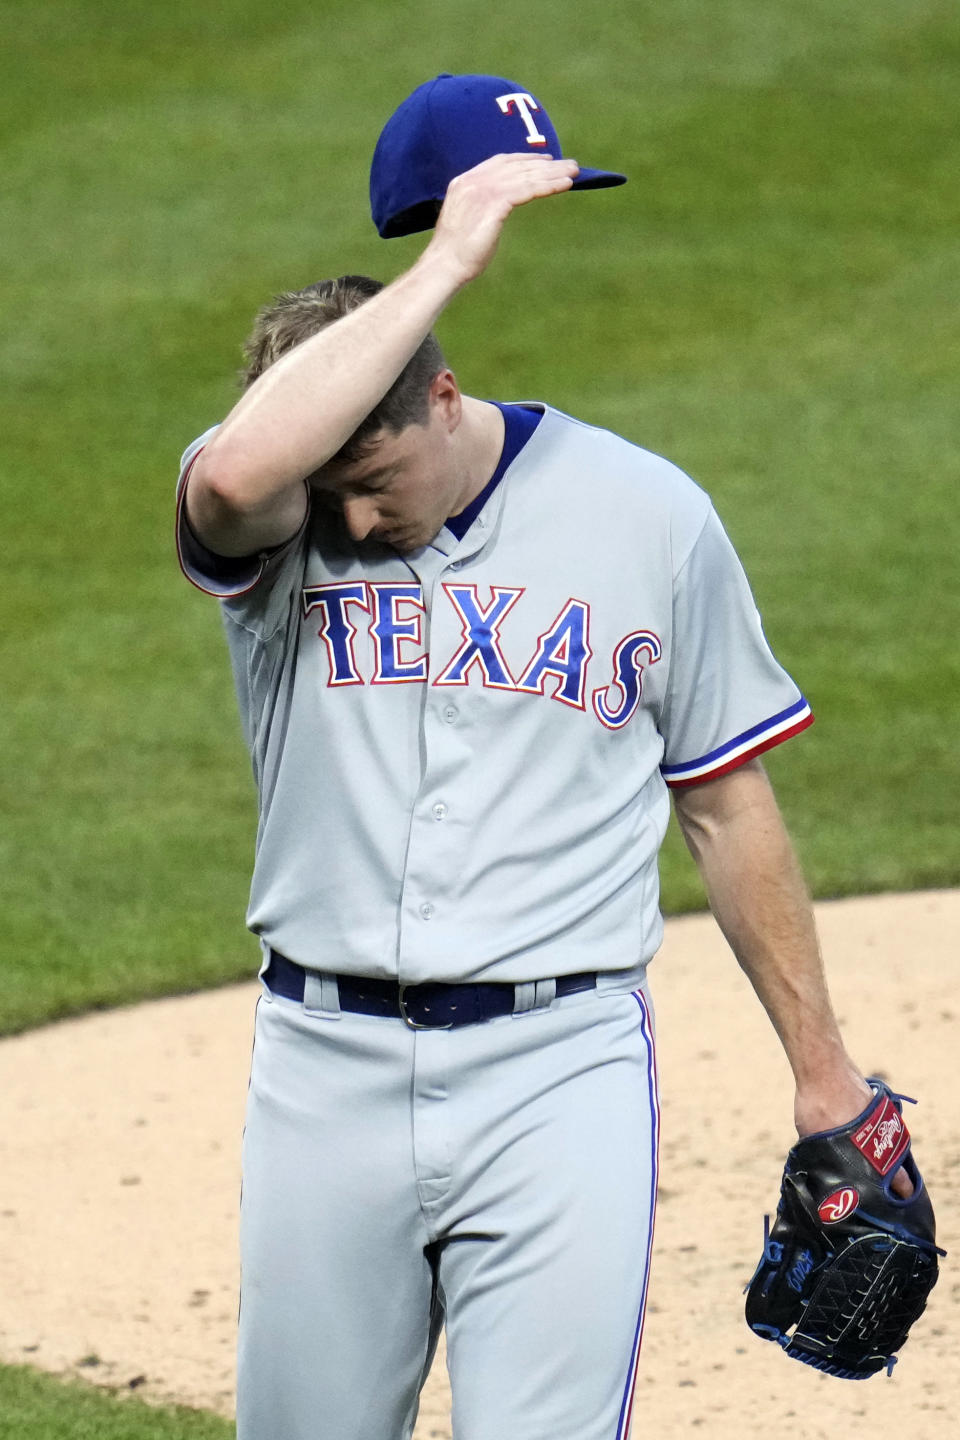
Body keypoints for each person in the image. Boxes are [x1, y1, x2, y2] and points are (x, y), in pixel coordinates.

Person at [176, 153, 888, 1440]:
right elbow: (233, 483)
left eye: (373, 478)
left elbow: (729, 808)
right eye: (327, 485)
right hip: (323, 1071)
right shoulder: (279, 524)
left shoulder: (649, 516)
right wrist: (444, 261)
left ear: (445, 396)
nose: (347, 515)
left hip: (558, 1074)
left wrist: (823, 1071)